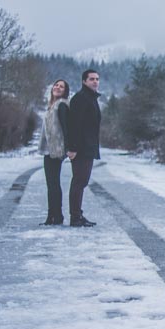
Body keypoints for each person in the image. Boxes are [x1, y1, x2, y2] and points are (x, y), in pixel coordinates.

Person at [66, 69, 102, 227]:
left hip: (88, 147)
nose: (95, 81)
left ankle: (77, 214)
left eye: (97, 79)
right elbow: (74, 125)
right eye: (92, 79)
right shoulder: (81, 99)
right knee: (79, 182)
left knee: (81, 181)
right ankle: (75, 217)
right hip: (81, 148)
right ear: (84, 81)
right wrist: (72, 148)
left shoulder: (91, 98)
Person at [37, 79, 71, 225]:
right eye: (56, 85)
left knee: (53, 183)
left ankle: (56, 216)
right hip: (49, 149)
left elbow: (66, 128)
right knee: (52, 183)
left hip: (56, 149)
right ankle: (53, 215)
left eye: (61, 87)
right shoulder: (52, 105)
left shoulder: (62, 105)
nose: (57, 88)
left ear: (65, 91)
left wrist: (68, 148)